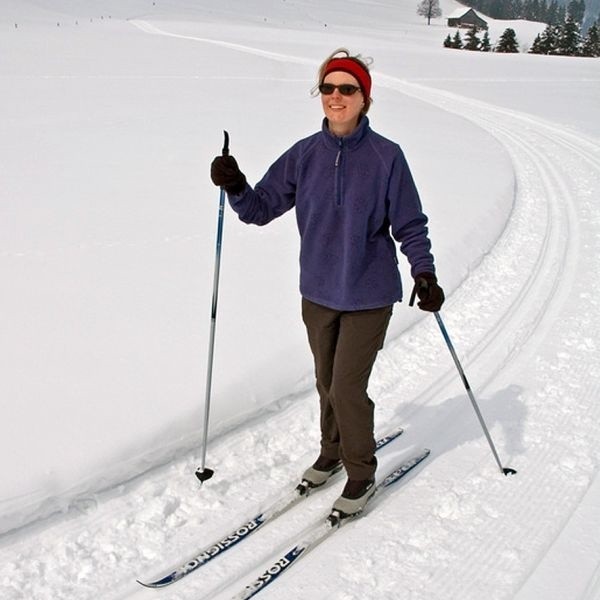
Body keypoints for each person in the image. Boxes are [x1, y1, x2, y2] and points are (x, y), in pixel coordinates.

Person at [210, 48, 444, 516]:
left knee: (346, 388)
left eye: (347, 89)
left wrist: (424, 271)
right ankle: (332, 450)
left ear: (364, 98)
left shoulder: (386, 157)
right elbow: (259, 209)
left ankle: (360, 471)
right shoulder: (304, 155)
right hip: (317, 292)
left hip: (368, 294)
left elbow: (410, 223)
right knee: (325, 382)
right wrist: (235, 185)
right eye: (328, 88)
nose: (335, 97)